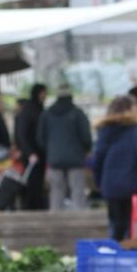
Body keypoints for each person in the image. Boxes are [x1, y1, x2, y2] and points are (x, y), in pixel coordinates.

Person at [92, 95, 137, 241]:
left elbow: (97, 159)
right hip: (134, 186)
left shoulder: (104, 130)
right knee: (133, 228)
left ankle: (115, 251)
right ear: (132, 109)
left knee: (116, 228)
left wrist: (99, 183)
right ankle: (130, 251)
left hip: (110, 187)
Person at [37, 82, 93, 210]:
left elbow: (40, 138)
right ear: (70, 95)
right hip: (76, 159)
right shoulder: (78, 113)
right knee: (77, 191)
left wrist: (50, 151)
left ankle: (55, 219)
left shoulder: (46, 114)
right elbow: (86, 137)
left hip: (54, 158)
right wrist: (86, 150)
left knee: (56, 192)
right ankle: (79, 220)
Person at [13, 83, 48, 209]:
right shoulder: (30, 110)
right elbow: (22, 134)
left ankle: (36, 206)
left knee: (37, 183)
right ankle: (31, 207)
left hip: (38, 154)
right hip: (32, 155)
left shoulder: (36, 109)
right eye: (44, 93)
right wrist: (30, 152)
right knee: (32, 183)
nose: (45, 96)